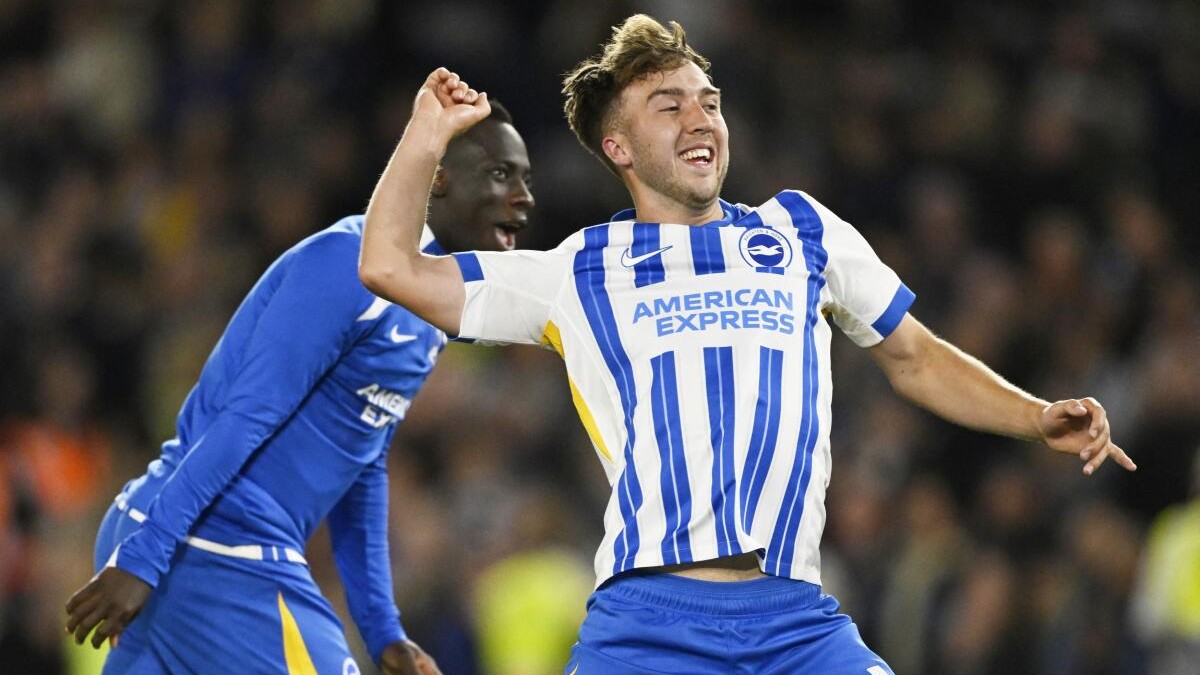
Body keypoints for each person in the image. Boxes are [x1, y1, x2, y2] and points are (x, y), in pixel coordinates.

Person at [357, 15, 1136, 675]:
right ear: (619, 148)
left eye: (710, 102)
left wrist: (1035, 416)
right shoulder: (578, 271)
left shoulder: (801, 229)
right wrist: (427, 136)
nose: (701, 120)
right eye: (670, 107)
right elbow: (388, 264)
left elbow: (916, 355)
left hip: (798, 622)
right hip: (647, 626)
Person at [64, 101, 534, 675]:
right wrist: (144, 559)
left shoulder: (427, 314)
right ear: (438, 180)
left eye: (526, 179)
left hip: (203, 549)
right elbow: (245, 418)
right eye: (500, 173)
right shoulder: (345, 263)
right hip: (213, 545)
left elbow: (361, 469)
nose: (523, 197)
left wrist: (382, 629)